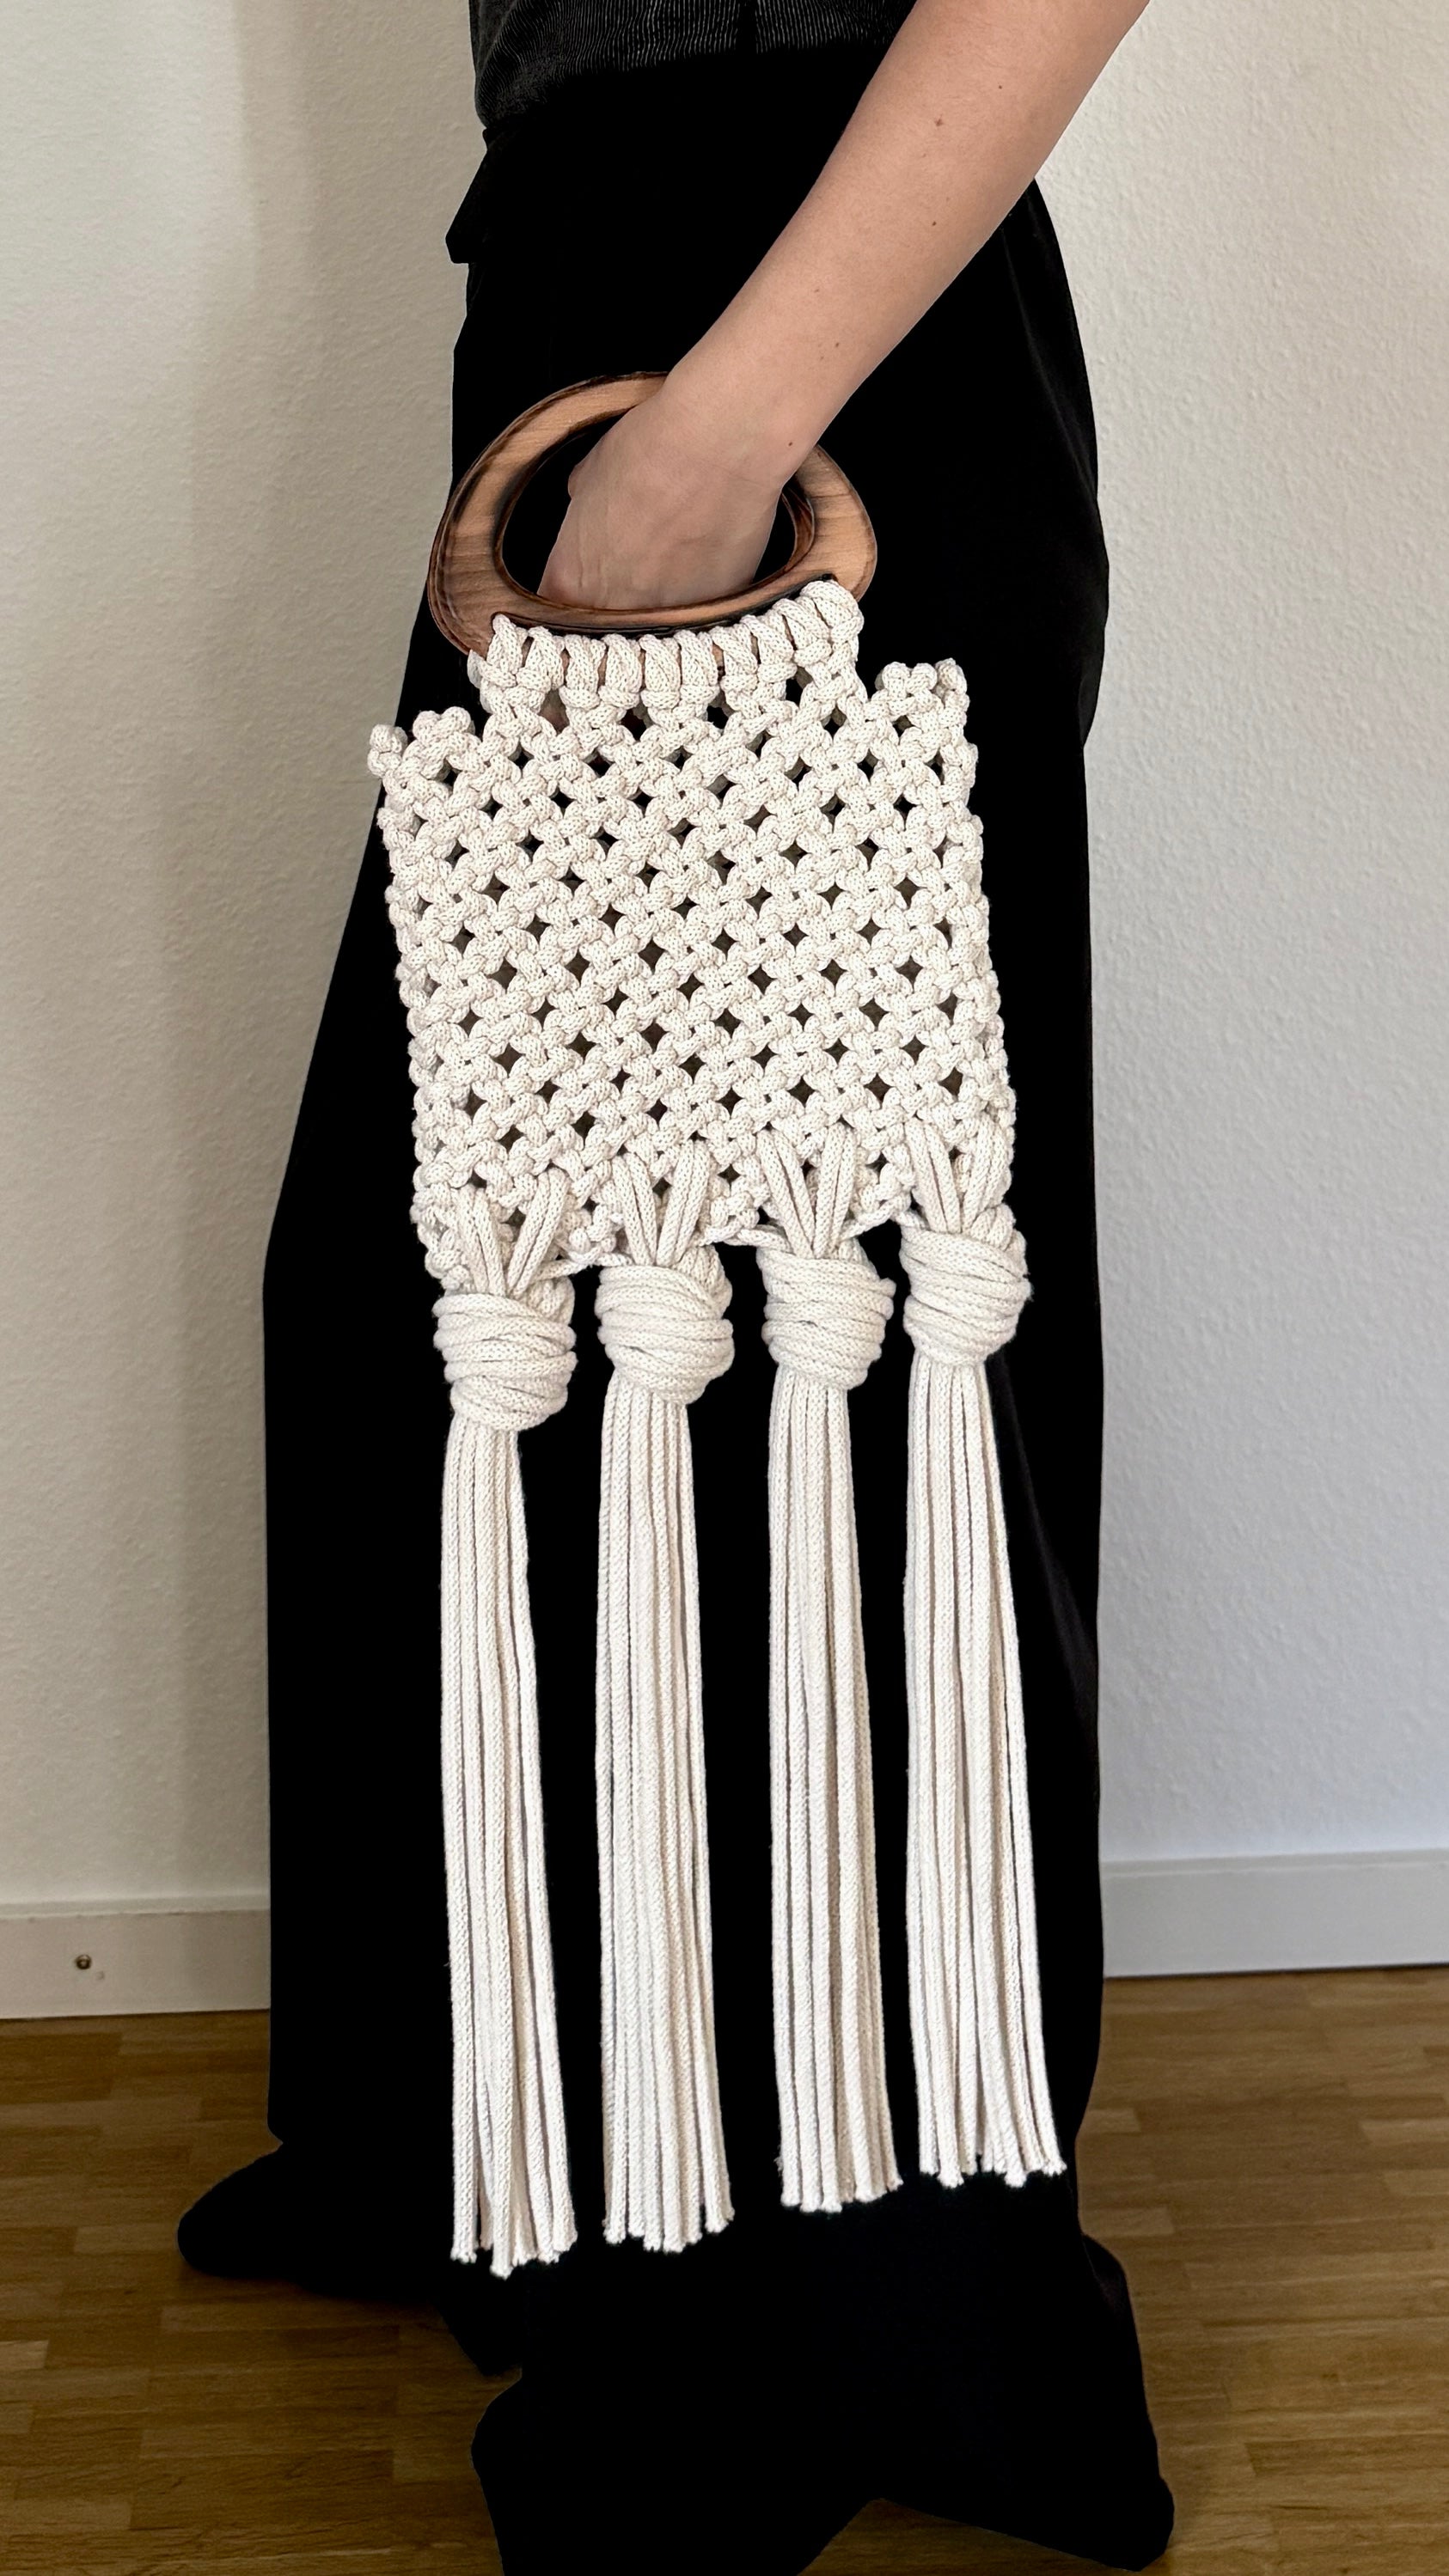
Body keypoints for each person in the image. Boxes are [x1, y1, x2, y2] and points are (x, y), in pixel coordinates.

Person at [180, 3, 1174, 2566]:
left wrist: (720, 429)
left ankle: (814, 2319)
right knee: (461, 1317)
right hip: (643, 317)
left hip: (784, 349)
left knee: (775, 1396)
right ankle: (481, 2131)